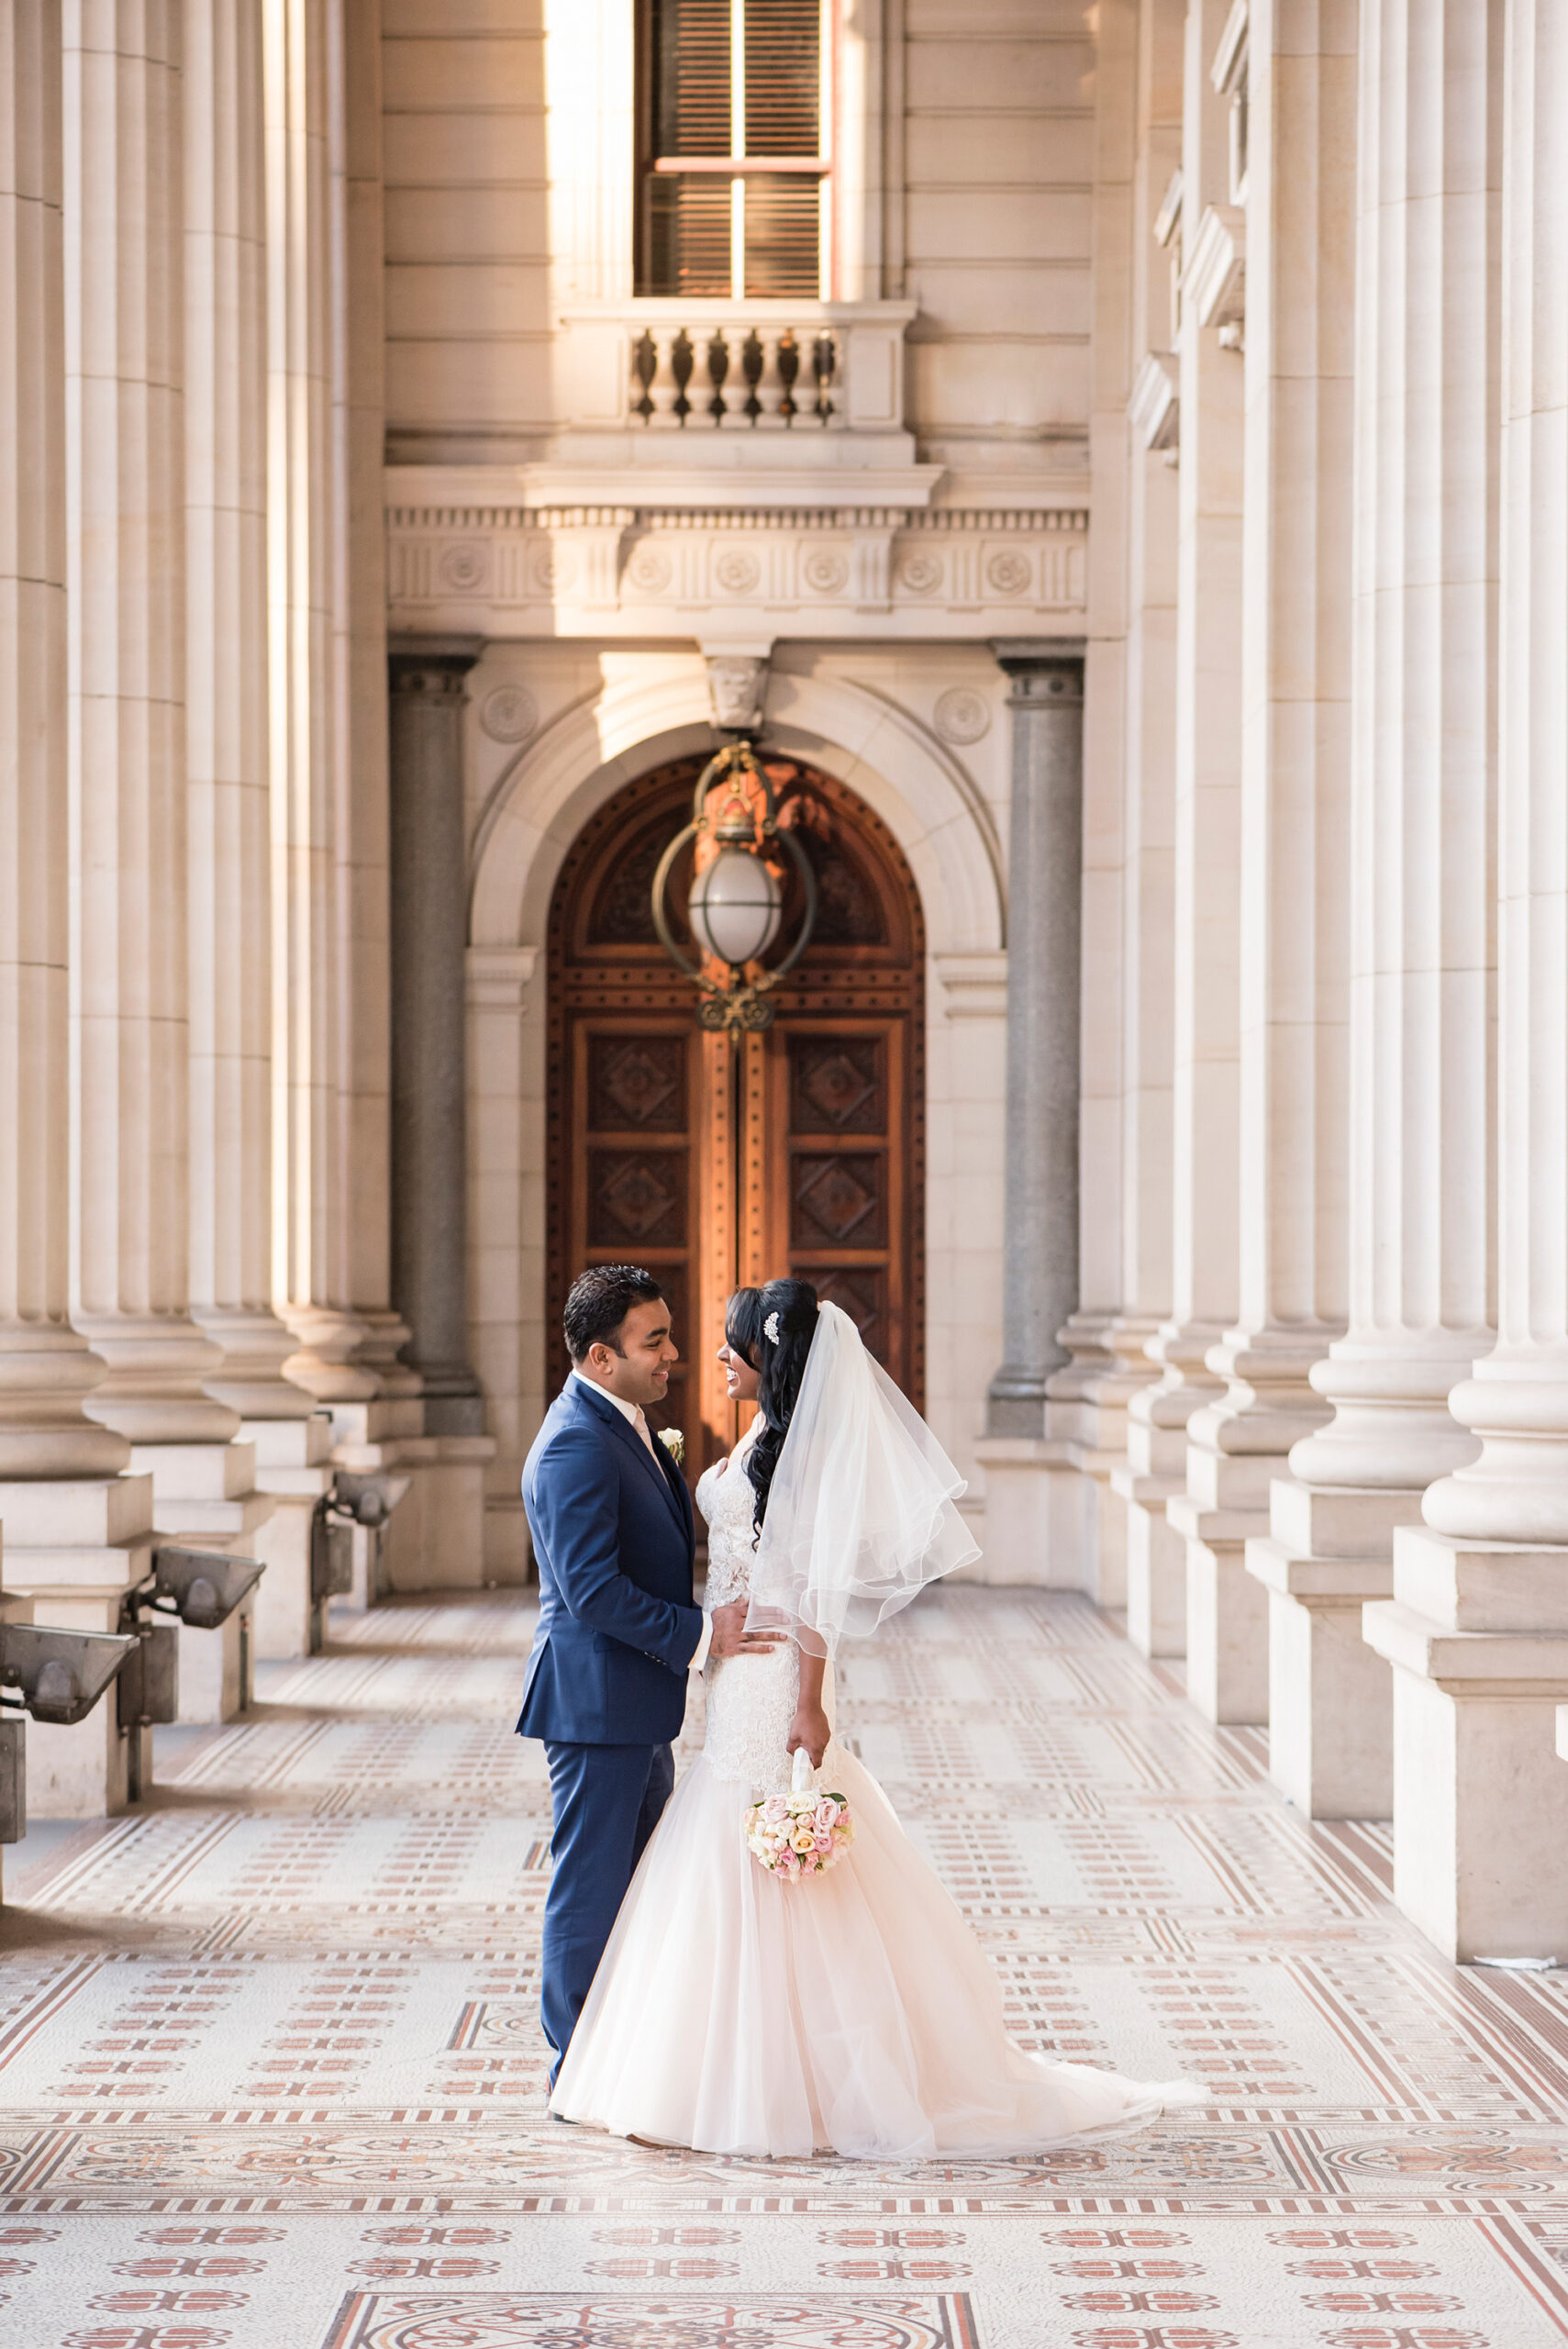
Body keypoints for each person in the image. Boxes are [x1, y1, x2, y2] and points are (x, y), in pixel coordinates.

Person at [550, 1275, 1197, 2160]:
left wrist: (811, 1702)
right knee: (688, 1859)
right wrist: (707, 1635)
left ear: (767, 1356)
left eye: (727, 1345)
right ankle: (662, 2057)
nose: (705, 1358)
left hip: (768, 1675)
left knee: (753, 1847)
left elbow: (815, 1587)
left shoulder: (799, 1454)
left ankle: (778, 2075)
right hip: (726, 1670)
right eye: (663, 1340)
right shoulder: (743, 1444)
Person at [518, 1263, 784, 2086]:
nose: (674, 1353)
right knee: (591, 1887)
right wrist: (704, 1633)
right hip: (595, 1704)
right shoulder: (572, 1442)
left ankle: (623, 2049)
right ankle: (573, 2064)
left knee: (638, 1886)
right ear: (601, 1357)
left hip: (633, 1703)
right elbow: (589, 1590)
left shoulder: (621, 1419)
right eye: (654, 1340)